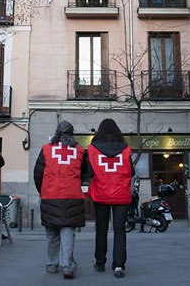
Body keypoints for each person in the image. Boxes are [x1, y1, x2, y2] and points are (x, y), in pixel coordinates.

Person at [34, 120, 88, 279]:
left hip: (50, 196)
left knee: (51, 234)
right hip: (72, 196)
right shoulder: (79, 151)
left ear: (57, 133)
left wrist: (43, 191)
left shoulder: (46, 150)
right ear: (72, 134)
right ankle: (68, 267)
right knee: (68, 232)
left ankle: (52, 265)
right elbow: (84, 173)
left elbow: (38, 175)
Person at [86, 118, 134, 279]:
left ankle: (100, 262)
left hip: (101, 193)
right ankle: (119, 265)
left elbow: (90, 173)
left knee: (101, 228)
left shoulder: (93, 149)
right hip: (121, 193)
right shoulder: (126, 149)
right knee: (120, 229)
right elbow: (131, 172)